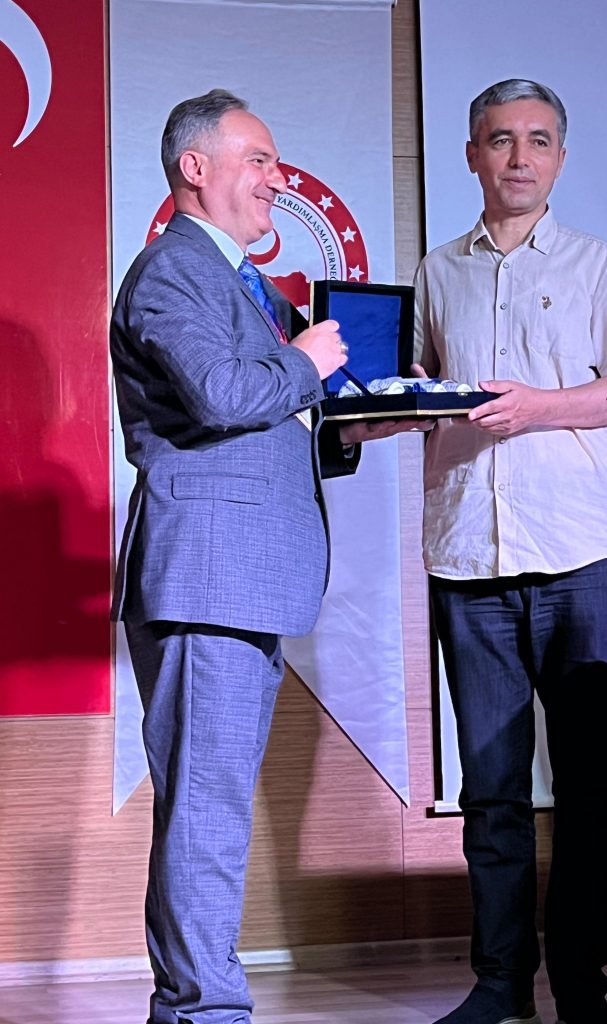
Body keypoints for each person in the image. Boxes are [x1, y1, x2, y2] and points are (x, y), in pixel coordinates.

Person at [111, 88, 414, 1024]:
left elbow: (261, 419)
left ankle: (197, 1005)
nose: (277, 179)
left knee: (214, 803)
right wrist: (309, 362)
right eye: (259, 160)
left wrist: (354, 426)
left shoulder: (241, 281)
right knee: (206, 806)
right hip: (209, 575)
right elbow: (219, 393)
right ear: (194, 167)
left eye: (276, 162)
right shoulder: (174, 271)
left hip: (242, 577)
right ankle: (204, 1012)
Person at [413, 79, 607, 1024]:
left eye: (537, 140)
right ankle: (499, 984)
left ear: (560, 158)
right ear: (472, 156)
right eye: (500, 139)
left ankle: (582, 985)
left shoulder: (599, 264)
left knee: (591, 789)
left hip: (580, 556)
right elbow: (422, 389)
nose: (518, 157)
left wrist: (537, 408)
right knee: (491, 791)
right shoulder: (437, 273)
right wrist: (379, 408)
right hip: (468, 558)